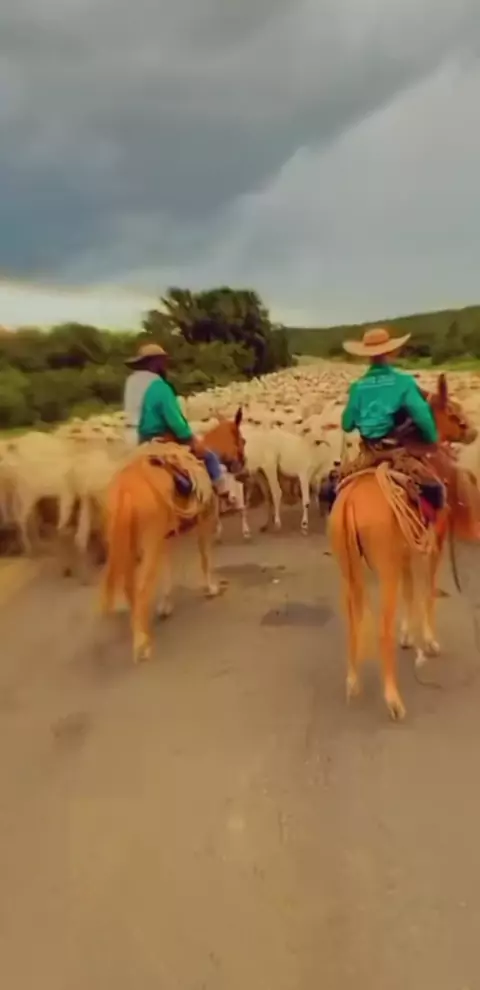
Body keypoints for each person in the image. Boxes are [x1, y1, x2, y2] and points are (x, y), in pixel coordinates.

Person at [125, 342, 233, 500]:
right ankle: (223, 493)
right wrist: (190, 438)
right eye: (162, 362)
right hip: (161, 440)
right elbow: (175, 421)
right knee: (209, 456)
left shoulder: (132, 386)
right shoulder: (160, 386)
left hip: (136, 441)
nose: (164, 365)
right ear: (155, 363)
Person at [341, 326, 438, 445]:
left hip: (369, 444)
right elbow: (422, 415)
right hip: (395, 440)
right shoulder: (404, 382)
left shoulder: (356, 387)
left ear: (367, 355)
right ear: (391, 352)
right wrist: (432, 439)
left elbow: (347, 426)